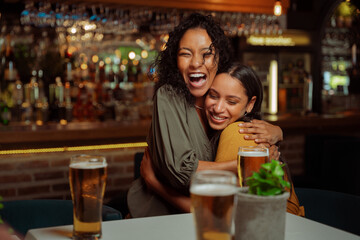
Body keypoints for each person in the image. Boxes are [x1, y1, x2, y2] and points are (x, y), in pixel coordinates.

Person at [127, 13, 283, 218]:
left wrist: (279, 132)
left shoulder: (222, 98)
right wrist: (246, 164)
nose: (195, 63)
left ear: (218, 58)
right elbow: (183, 173)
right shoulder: (169, 95)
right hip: (155, 218)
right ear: (175, 59)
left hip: (206, 218)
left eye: (206, 53)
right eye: (185, 53)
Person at [141, 63, 304, 216]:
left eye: (231, 101)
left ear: (250, 104)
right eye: (213, 95)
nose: (218, 108)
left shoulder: (237, 132)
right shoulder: (235, 129)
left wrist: (155, 183)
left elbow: (216, 211)